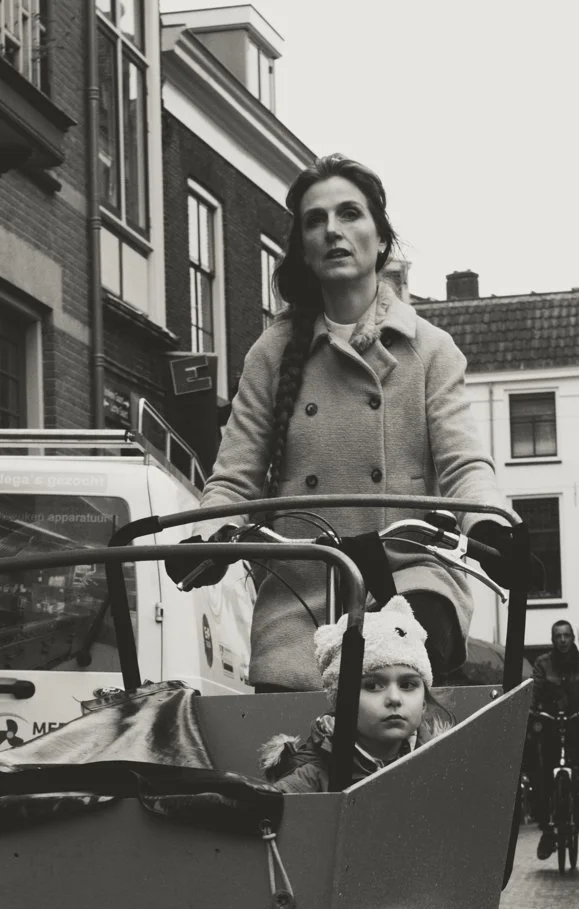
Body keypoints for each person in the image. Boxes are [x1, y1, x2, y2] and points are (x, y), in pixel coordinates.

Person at [171, 154, 513, 691]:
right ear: (304, 250)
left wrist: (491, 525)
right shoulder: (272, 353)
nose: (332, 229)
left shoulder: (430, 350)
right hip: (302, 591)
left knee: (392, 670)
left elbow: (465, 461)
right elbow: (234, 478)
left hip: (407, 575)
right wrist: (210, 536)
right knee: (287, 749)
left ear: (380, 240)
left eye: (349, 213)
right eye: (315, 220)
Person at [262, 596, 447, 794]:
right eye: (373, 686)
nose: (394, 698)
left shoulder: (441, 764)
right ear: (343, 701)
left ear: (424, 703)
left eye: (408, 685)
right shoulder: (315, 775)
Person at [529, 620, 579, 859]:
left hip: (578, 723)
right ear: (553, 639)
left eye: (566, 636)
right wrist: (530, 710)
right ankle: (547, 826)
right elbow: (535, 689)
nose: (562, 640)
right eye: (558, 636)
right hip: (551, 724)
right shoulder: (542, 663)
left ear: (573, 638)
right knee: (541, 772)